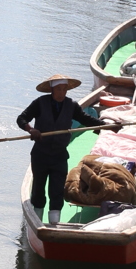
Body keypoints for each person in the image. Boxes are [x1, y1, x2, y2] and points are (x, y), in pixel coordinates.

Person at [16, 75, 100, 225]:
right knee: (38, 190)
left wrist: (104, 125)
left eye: (64, 89)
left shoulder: (71, 105)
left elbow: (86, 119)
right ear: (52, 90)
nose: (62, 93)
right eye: (58, 89)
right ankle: (37, 222)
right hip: (40, 155)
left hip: (59, 156)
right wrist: (31, 130)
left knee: (56, 190)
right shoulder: (40, 103)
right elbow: (21, 119)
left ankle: (54, 224)